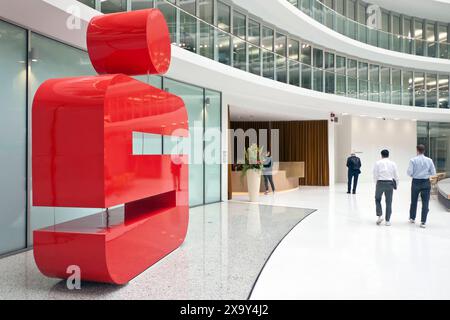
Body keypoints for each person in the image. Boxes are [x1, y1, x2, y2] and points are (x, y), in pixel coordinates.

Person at [407, 144, 436, 228]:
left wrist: (415, 174)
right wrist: (426, 174)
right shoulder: (429, 160)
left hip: (415, 181)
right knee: (425, 202)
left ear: (417, 150)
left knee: (414, 201)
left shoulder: (413, 160)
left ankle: (412, 218)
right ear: (424, 150)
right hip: (426, 182)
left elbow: (409, 172)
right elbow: (433, 172)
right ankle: (423, 222)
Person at [373, 149, 399, 226]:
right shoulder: (393, 163)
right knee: (389, 202)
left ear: (381, 155)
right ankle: (387, 221)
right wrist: (396, 185)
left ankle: (380, 215)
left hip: (380, 182)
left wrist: (376, 183)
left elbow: (375, 174)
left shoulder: (377, 163)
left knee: (377, 199)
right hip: (389, 183)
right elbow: (396, 175)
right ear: (388, 155)